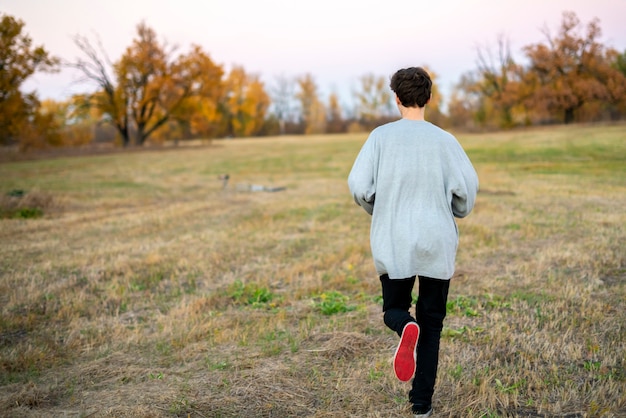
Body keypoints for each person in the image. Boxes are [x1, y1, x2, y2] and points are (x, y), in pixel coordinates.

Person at [347, 67, 479, 417]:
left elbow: (359, 185)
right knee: (432, 325)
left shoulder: (380, 138)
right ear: (429, 99)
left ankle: (405, 326)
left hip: (395, 240)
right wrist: (453, 208)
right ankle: (421, 405)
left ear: (396, 98)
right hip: (436, 240)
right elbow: (466, 193)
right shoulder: (445, 140)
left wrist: (380, 207)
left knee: (395, 309)